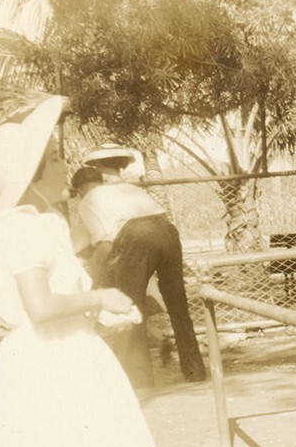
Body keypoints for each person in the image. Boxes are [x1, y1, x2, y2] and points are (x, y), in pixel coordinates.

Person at [0, 95, 154, 447]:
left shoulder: (23, 225)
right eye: (53, 160)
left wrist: (95, 312)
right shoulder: (26, 231)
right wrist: (102, 299)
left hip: (36, 358)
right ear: (31, 173)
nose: (62, 167)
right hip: (53, 364)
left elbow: (48, 301)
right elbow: (41, 306)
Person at [71, 162, 206, 383]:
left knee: (131, 306)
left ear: (79, 190)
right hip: (168, 232)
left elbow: (105, 246)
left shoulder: (88, 200)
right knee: (178, 304)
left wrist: (97, 282)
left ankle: (139, 380)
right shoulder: (127, 188)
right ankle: (195, 371)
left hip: (138, 236)